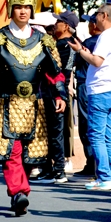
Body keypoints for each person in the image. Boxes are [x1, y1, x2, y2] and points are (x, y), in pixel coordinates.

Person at [0, 0, 66, 216]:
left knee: (30, 155)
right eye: (19, 6)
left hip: (35, 105)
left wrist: (60, 95)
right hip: (7, 102)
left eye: (27, 7)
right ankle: (18, 192)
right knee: (12, 151)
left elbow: (55, 72)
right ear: (11, 10)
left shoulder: (43, 39)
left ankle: (21, 194)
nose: (23, 11)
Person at [69, 3, 111, 190]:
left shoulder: (106, 36)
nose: (95, 19)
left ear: (104, 16)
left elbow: (97, 61)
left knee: (97, 136)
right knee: (108, 135)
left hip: (100, 90)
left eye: (97, 15)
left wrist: (80, 51)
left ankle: (105, 176)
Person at [35, 10, 76, 184]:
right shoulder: (68, 43)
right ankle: (51, 169)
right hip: (56, 90)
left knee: (54, 132)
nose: (54, 25)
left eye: (57, 22)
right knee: (51, 131)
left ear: (66, 26)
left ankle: (58, 171)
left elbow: (54, 70)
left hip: (55, 90)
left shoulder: (63, 45)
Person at [72, 14, 101, 177]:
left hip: (85, 84)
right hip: (100, 87)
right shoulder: (106, 42)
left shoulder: (88, 43)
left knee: (86, 124)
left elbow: (75, 61)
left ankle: (91, 162)